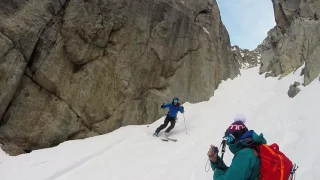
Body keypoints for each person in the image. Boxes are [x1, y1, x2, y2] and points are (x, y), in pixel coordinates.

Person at [207, 114, 267, 180]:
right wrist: (215, 162)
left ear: (237, 138)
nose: (228, 143)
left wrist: (216, 170)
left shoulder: (244, 155)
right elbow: (233, 174)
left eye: (229, 138)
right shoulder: (254, 149)